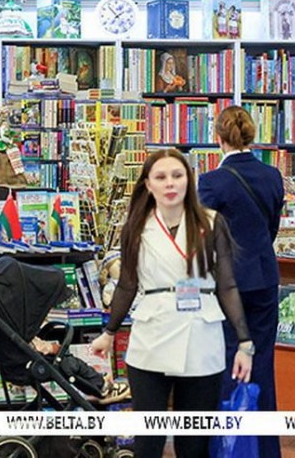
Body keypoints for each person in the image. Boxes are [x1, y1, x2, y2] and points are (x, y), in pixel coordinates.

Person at [91, 148, 253, 458]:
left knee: (194, 446)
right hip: (151, 339)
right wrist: (109, 332)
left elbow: (227, 285)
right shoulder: (136, 227)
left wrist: (245, 343)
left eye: (177, 175)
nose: (170, 183)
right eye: (161, 177)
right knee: (148, 443)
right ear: (148, 184)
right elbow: (127, 284)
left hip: (202, 337)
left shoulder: (211, 222)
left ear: (189, 180)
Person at [197, 106, 285, 458]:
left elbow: (201, 234)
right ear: (251, 134)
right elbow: (271, 227)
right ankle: (265, 449)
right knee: (261, 363)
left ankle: (229, 447)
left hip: (228, 284)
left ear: (218, 138)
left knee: (227, 361)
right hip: (264, 277)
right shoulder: (272, 176)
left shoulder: (212, 182)